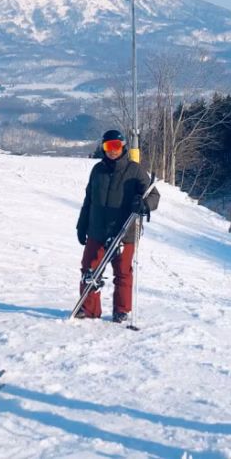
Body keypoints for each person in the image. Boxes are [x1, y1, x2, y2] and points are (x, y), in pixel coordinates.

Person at [75, 129, 160, 323]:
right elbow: (89, 199)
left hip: (124, 231)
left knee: (122, 273)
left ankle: (121, 310)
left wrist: (144, 205)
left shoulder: (135, 171)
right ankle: (89, 309)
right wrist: (82, 225)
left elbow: (153, 196)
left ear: (123, 147)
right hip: (97, 230)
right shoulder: (97, 171)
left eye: (116, 146)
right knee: (89, 270)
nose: (112, 151)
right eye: (107, 146)